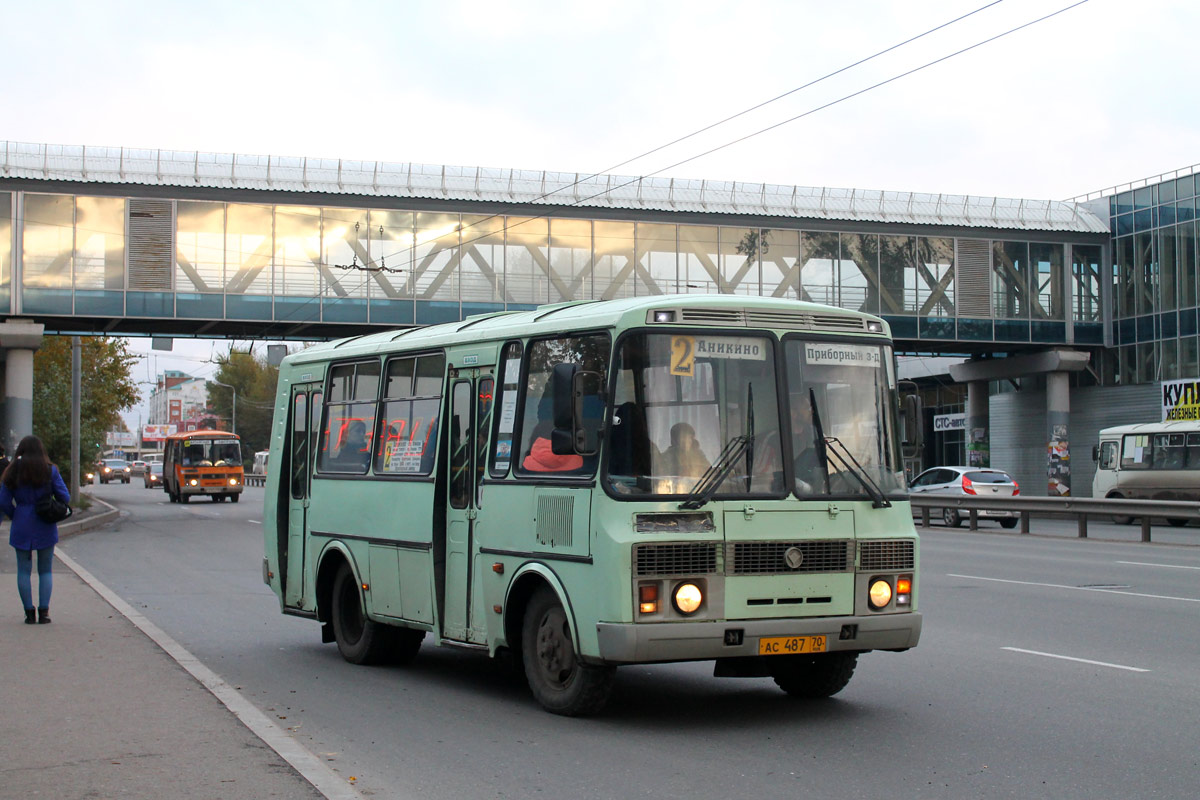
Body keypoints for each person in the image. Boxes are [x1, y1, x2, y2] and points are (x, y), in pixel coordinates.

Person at [1, 435, 71, 625]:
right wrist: (50, 502)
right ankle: (44, 613)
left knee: (23, 570)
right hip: (45, 522)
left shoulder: (12, 470)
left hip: (21, 521)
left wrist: (15, 514)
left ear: (20, 451)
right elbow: (65, 496)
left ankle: (29, 614)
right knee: (45, 570)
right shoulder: (50, 470)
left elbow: (3, 501)